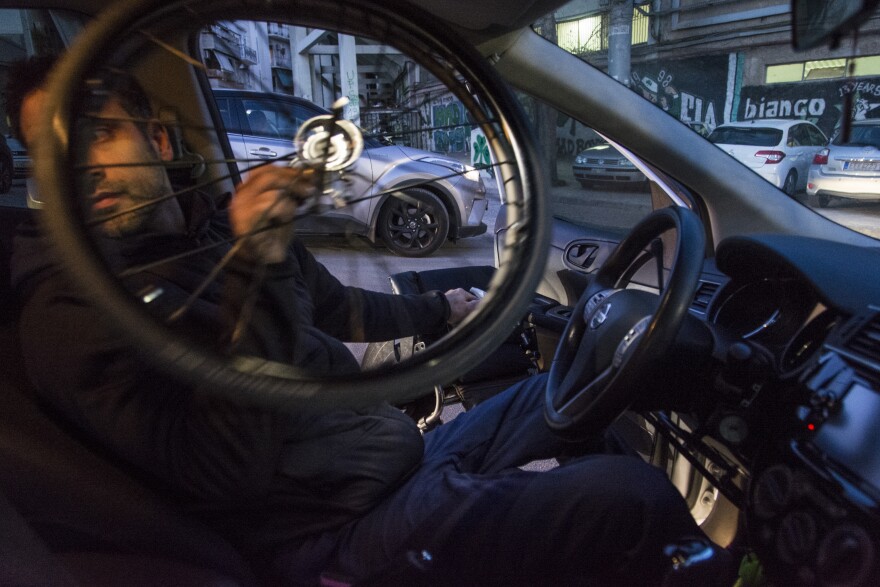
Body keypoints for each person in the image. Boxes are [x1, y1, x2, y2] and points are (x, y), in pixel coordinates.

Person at [9, 61, 714, 585]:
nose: (78, 172)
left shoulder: (205, 231)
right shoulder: (68, 309)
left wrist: (443, 311)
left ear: (159, 140)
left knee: (569, 382)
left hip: (393, 463)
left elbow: (335, 304)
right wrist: (259, 264)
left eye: (99, 135)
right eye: (49, 154)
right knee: (628, 498)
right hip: (333, 536)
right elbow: (225, 470)